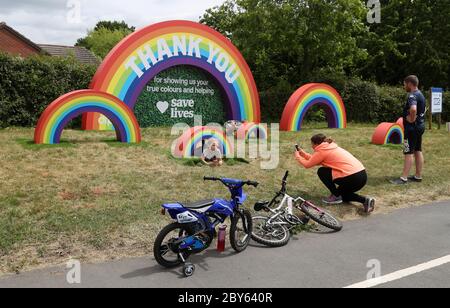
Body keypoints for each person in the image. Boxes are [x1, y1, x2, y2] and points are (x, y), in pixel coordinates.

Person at [294, 134, 375, 213]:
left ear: (316, 143)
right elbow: (315, 160)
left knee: (322, 171)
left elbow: (307, 165)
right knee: (343, 196)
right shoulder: (330, 147)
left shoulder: (322, 150)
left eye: (312, 144)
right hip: (361, 175)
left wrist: (298, 156)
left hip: (351, 177)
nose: (311, 146)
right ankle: (365, 200)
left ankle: (335, 196)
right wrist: (303, 154)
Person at [391, 75, 426, 185]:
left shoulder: (412, 96)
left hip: (412, 128)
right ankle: (418, 176)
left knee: (408, 152)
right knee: (417, 150)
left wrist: (411, 118)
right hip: (420, 126)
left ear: (410, 84)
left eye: (405, 84)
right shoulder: (421, 94)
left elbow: (413, 109)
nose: (404, 86)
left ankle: (403, 178)